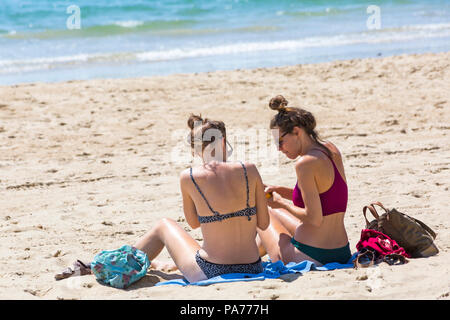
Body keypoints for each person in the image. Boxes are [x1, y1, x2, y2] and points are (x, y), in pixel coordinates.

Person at [133, 114, 270, 283]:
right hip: (253, 267)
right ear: (223, 141)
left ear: (195, 150)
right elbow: (264, 224)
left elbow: (194, 223)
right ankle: (158, 264)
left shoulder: (189, 176)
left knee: (164, 225)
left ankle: (120, 265)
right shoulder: (249, 168)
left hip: (211, 269)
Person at [257, 95, 352, 266]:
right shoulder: (331, 149)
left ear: (297, 131)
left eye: (280, 141)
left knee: (263, 210)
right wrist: (279, 189)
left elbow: (313, 218)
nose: (279, 149)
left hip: (311, 254)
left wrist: (281, 203)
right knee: (274, 212)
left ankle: (242, 259)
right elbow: (325, 197)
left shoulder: (305, 163)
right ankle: (254, 252)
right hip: (341, 251)